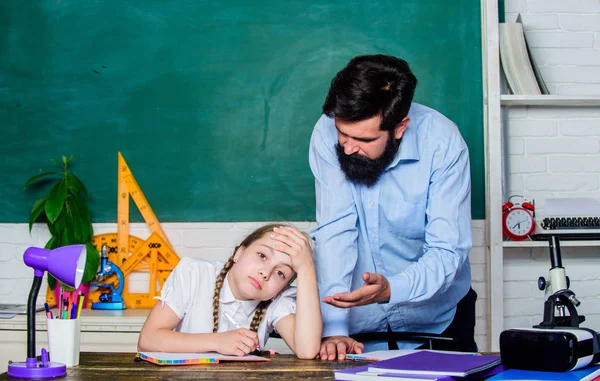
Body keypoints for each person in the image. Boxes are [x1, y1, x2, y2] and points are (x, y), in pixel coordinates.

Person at [308, 54, 477, 360]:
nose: (346, 148)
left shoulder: (443, 143)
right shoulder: (326, 130)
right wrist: (334, 326)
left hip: (437, 319)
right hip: (355, 324)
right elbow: (335, 229)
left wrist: (391, 289)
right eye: (342, 133)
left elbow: (447, 250)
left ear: (400, 127)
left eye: (362, 139)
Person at [137, 224, 322, 359]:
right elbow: (148, 340)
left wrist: (306, 269)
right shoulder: (195, 274)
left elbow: (306, 350)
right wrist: (217, 342)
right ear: (239, 252)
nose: (265, 273)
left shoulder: (277, 301)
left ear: (280, 290)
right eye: (262, 256)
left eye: (280, 273)